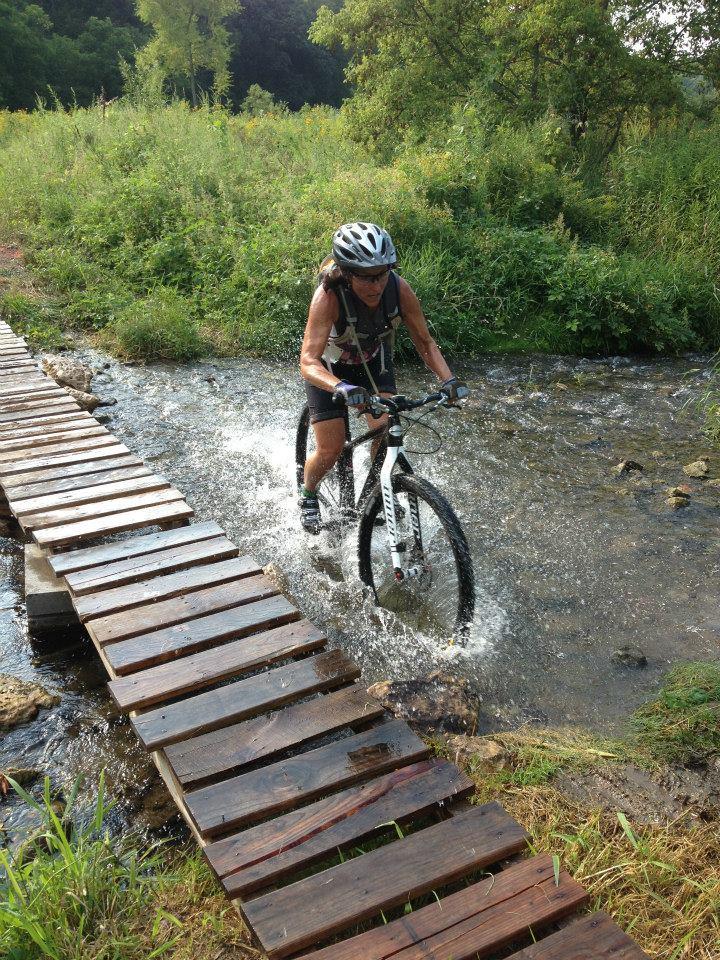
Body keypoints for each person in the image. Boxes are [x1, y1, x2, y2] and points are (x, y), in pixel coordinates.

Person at [298, 221, 467, 532]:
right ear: (347, 274)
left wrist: (449, 381)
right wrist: (341, 388)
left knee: (386, 430)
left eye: (382, 273)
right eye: (366, 278)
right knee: (331, 448)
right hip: (330, 370)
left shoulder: (399, 289)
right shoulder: (329, 296)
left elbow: (425, 342)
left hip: (373, 362)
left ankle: (377, 494)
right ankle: (307, 493)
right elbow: (308, 361)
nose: (376, 285)